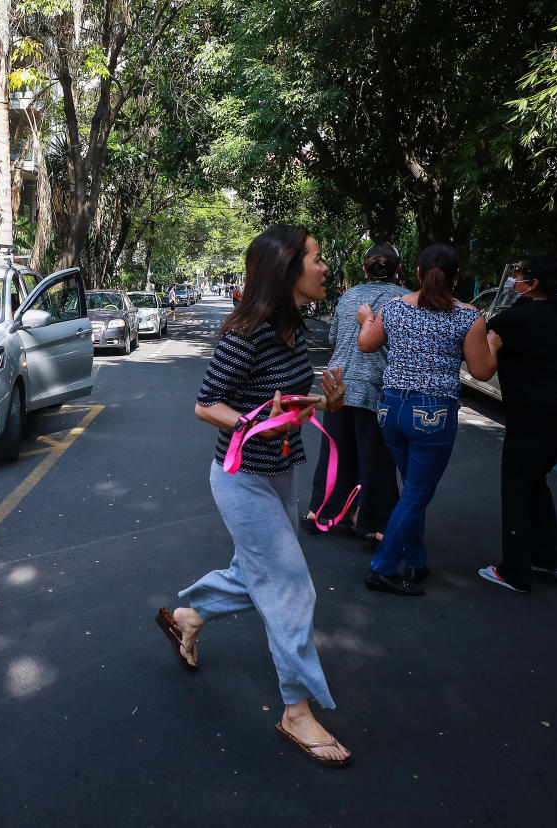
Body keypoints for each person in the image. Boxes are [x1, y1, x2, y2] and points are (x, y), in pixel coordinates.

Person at [156, 225, 352, 769]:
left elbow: (285, 402)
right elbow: (207, 404)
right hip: (241, 480)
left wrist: (326, 401)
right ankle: (295, 710)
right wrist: (249, 425)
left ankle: (188, 617)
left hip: (281, 474)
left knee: (256, 572)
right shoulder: (247, 333)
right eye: (315, 257)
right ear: (288, 269)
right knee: (290, 587)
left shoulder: (296, 328)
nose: (324, 267)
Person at [356, 244, 495, 595]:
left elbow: (367, 345)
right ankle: (382, 568)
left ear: (417, 273)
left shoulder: (393, 309)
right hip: (431, 413)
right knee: (417, 494)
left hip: (391, 409)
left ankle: (416, 561)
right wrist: (493, 344)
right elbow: (481, 370)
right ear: (457, 275)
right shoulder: (469, 317)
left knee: (412, 491)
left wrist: (366, 320)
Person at [478, 253, 557, 592]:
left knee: (517, 485)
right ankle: (548, 556)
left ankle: (514, 571)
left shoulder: (513, 319)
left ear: (534, 282)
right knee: (532, 479)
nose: (514, 279)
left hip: (534, 418)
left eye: (519, 274)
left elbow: (483, 363)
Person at [303, 244, 406, 540]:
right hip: (376, 385)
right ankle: (374, 524)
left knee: (335, 452)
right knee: (376, 456)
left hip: (338, 383)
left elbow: (334, 336)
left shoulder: (348, 296)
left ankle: (321, 513)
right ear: (398, 269)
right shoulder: (403, 299)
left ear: (364, 269)